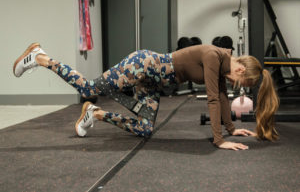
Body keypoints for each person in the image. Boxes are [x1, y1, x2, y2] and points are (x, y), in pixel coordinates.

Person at [13, 43, 279, 151]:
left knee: (145, 128)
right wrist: (219, 140)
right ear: (241, 69)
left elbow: (221, 97)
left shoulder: (223, 65)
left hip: (152, 82)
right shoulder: (214, 57)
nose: (237, 86)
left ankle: (95, 113)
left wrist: (233, 129)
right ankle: (40, 57)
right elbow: (212, 99)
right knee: (89, 87)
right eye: (241, 82)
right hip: (143, 65)